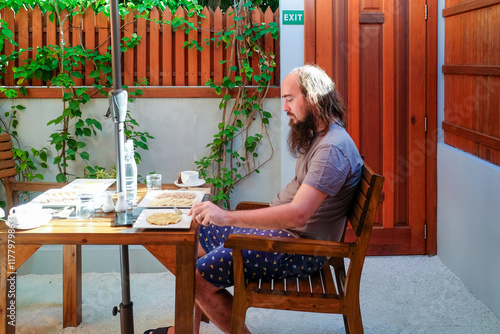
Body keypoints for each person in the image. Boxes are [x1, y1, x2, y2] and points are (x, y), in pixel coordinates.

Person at [144, 64, 363, 334]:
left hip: (299, 249)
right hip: (284, 235)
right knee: (196, 231)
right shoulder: (323, 136)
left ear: (314, 98)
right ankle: (186, 330)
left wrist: (228, 216)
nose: (284, 108)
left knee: (196, 275)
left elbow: (298, 215)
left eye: (289, 99)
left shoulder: (332, 149)